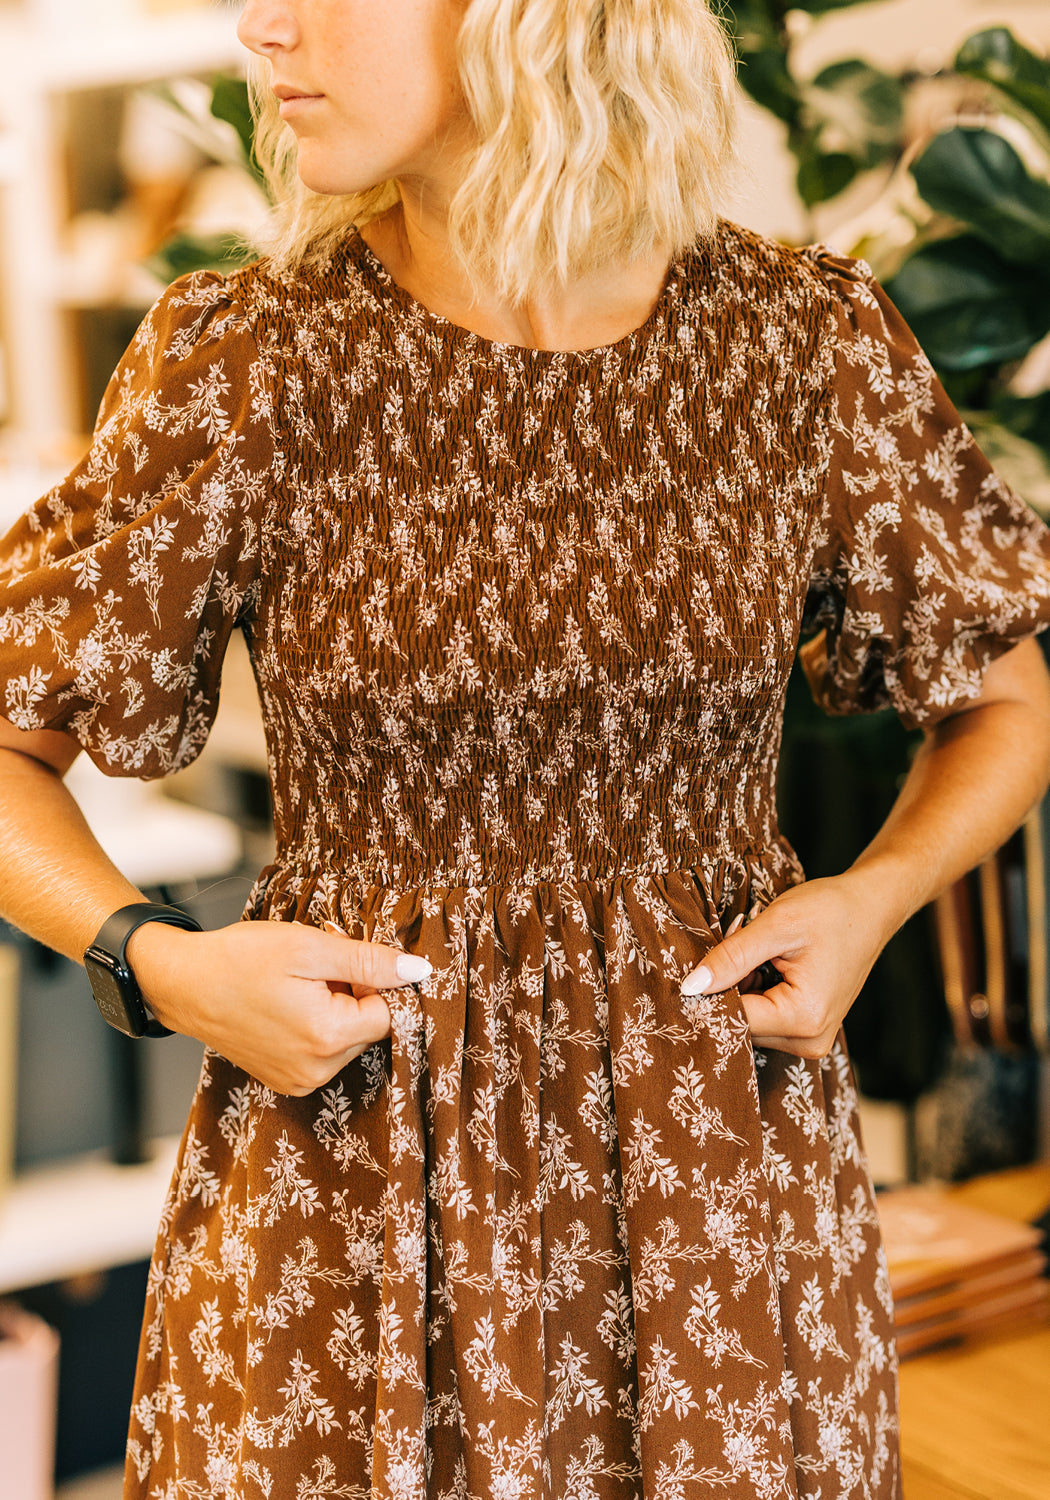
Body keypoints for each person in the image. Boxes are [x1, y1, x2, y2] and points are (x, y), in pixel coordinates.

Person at [2, 0, 1050, 1494]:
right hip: (355, 1179)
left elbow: (1003, 700)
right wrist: (157, 963)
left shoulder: (805, 344)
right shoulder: (244, 362)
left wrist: (872, 900)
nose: (260, 26)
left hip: (717, 1175)